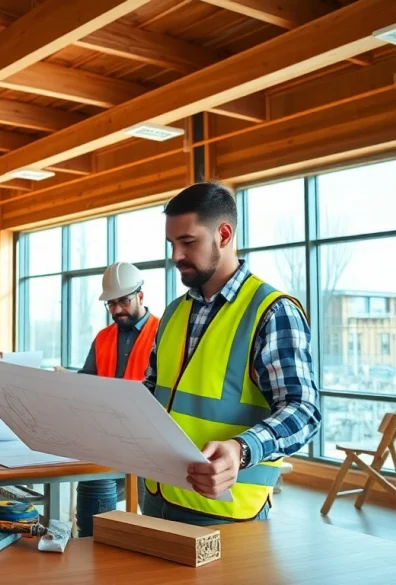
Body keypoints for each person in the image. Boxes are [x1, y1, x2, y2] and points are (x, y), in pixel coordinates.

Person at [142, 182, 321, 526]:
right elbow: (153, 391)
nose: (176, 255)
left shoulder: (272, 311)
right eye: (172, 244)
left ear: (223, 235)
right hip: (158, 497)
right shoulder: (174, 312)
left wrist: (242, 450)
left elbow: (304, 411)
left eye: (188, 242)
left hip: (226, 513)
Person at [74, 261, 158, 535]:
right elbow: (87, 380)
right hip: (107, 436)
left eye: (123, 301)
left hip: (148, 439)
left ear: (140, 296)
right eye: (111, 304)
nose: (117, 309)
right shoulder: (103, 337)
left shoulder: (163, 332)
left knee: (154, 510)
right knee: (93, 499)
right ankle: (93, 544)